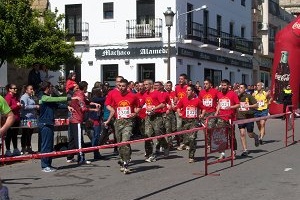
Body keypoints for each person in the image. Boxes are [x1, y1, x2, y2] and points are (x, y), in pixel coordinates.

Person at [38, 81, 75, 172]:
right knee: (46, 146)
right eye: (51, 87)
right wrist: (69, 97)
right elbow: (56, 100)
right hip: (45, 124)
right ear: (47, 88)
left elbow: (57, 104)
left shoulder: (49, 98)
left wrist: (67, 107)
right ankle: (44, 165)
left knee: (50, 146)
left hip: (50, 123)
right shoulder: (43, 97)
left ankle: (48, 165)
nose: (52, 89)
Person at [106, 79, 140, 174]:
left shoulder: (133, 96)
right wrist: (112, 110)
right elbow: (107, 104)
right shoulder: (113, 94)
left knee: (125, 141)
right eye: (119, 86)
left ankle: (126, 162)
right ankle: (122, 158)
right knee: (120, 143)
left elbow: (138, 106)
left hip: (128, 122)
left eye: (123, 86)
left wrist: (135, 113)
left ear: (127, 86)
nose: (121, 88)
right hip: (118, 121)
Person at [66, 81, 99, 164]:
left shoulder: (77, 93)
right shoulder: (80, 95)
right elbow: (83, 108)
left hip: (72, 118)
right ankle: (81, 158)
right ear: (85, 87)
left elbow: (86, 101)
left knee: (73, 139)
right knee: (79, 140)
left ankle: (69, 157)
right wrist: (94, 109)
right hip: (77, 119)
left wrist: (94, 103)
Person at [143, 79, 167, 162]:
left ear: (151, 85)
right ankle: (150, 154)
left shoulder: (157, 93)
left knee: (158, 133)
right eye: (144, 85)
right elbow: (141, 104)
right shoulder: (145, 94)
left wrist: (154, 108)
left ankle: (165, 145)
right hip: (148, 117)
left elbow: (163, 104)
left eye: (146, 85)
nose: (145, 86)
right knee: (147, 135)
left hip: (157, 117)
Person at [215, 79, 240, 160]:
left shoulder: (232, 94)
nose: (223, 87)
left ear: (228, 86)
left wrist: (231, 107)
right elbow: (219, 103)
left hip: (230, 117)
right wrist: (217, 111)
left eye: (225, 85)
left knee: (231, 136)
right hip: (222, 117)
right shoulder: (219, 94)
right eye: (222, 85)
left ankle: (233, 152)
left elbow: (238, 104)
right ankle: (222, 153)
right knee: (221, 135)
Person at [176, 85, 202, 163]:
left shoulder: (197, 100)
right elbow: (178, 107)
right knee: (186, 138)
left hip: (194, 121)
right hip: (185, 121)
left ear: (193, 92)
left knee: (192, 138)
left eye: (188, 90)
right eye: (186, 90)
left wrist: (202, 114)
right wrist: (179, 113)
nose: (186, 92)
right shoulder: (183, 99)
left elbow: (203, 108)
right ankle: (184, 143)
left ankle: (191, 156)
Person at [237, 83, 259, 156]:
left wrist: (249, 105)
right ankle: (245, 150)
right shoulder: (236, 96)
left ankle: (255, 136)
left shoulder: (249, 96)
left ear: (245, 89)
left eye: (241, 87)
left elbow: (257, 105)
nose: (239, 89)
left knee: (250, 134)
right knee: (242, 133)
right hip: (240, 117)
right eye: (239, 87)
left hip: (249, 117)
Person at [198, 78, 219, 148]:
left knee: (209, 127)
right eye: (204, 84)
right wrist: (199, 113)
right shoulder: (201, 92)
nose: (205, 85)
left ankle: (213, 140)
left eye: (206, 84)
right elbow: (199, 103)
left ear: (210, 84)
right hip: (204, 113)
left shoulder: (215, 91)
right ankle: (208, 142)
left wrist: (217, 110)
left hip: (212, 112)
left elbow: (220, 100)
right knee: (205, 129)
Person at [20, 85, 39, 154]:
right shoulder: (24, 97)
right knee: (25, 133)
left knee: (30, 133)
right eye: (30, 89)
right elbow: (25, 106)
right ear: (26, 90)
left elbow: (35, 101)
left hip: (32, 117)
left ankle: (29, 147)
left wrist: (34, 97)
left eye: (32, 89)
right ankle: (23, 148)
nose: (32, 90)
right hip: (26, 117)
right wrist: (35, 106)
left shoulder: (31, 97)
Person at [4, 84, 21, 156]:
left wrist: (19, 106)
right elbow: (7, 109)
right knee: (9, 135)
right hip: (10, 119)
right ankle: (7, 150)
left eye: (16, 88)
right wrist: (16, 105)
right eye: (14, 88)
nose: (16, 90)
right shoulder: (8, 97)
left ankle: (15, 149)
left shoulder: (15, 97)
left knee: (15, 134)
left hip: (16, 118)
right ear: (9, 89)